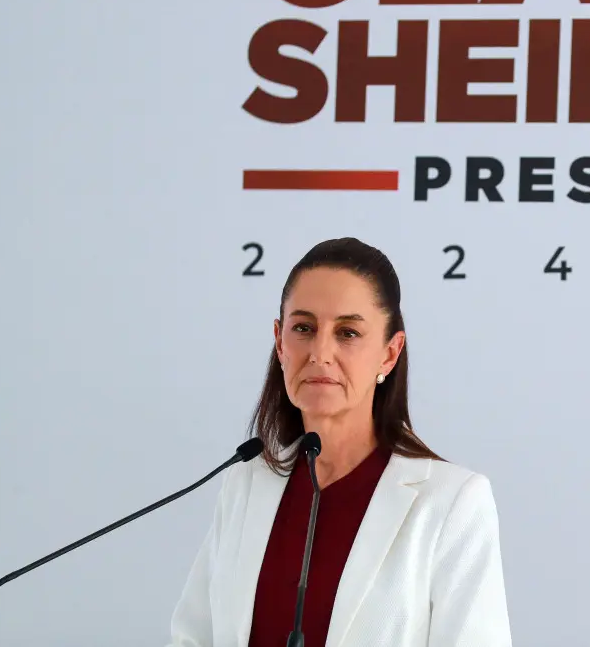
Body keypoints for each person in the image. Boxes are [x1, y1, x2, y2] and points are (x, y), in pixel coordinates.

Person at [166, 237, 512, 646]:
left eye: (347, 332)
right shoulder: (245, 483)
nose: (320, 352)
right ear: (280, 341)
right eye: (303, 328)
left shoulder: (452, 502)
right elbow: (193, 637)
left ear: (389, 353)